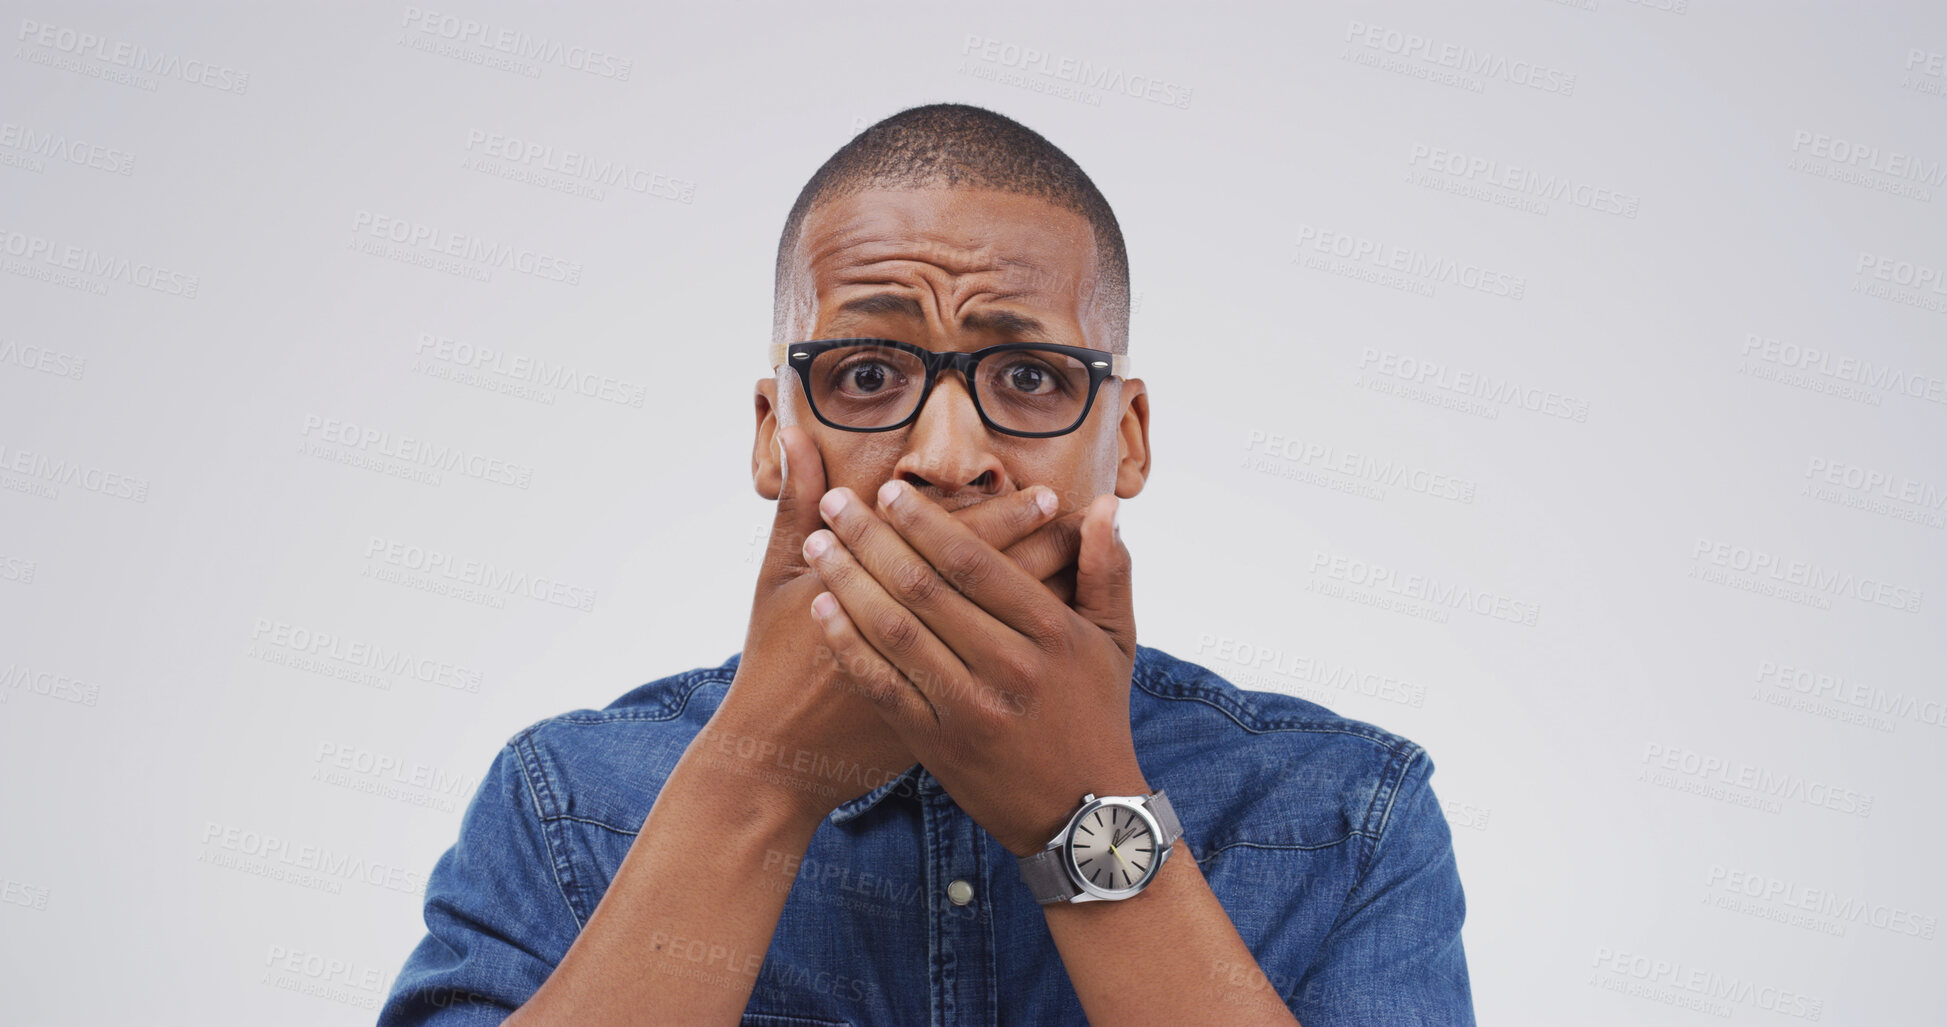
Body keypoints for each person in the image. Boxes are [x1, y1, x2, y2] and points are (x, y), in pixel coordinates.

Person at [379, 102, 1474, 1026]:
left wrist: (1086, 816)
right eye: (865, 374)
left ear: (1128, 440)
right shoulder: (566, 802)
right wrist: (759, 779)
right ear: (771, 437)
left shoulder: (1345, 815)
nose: (947, 459)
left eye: (1031, 377)